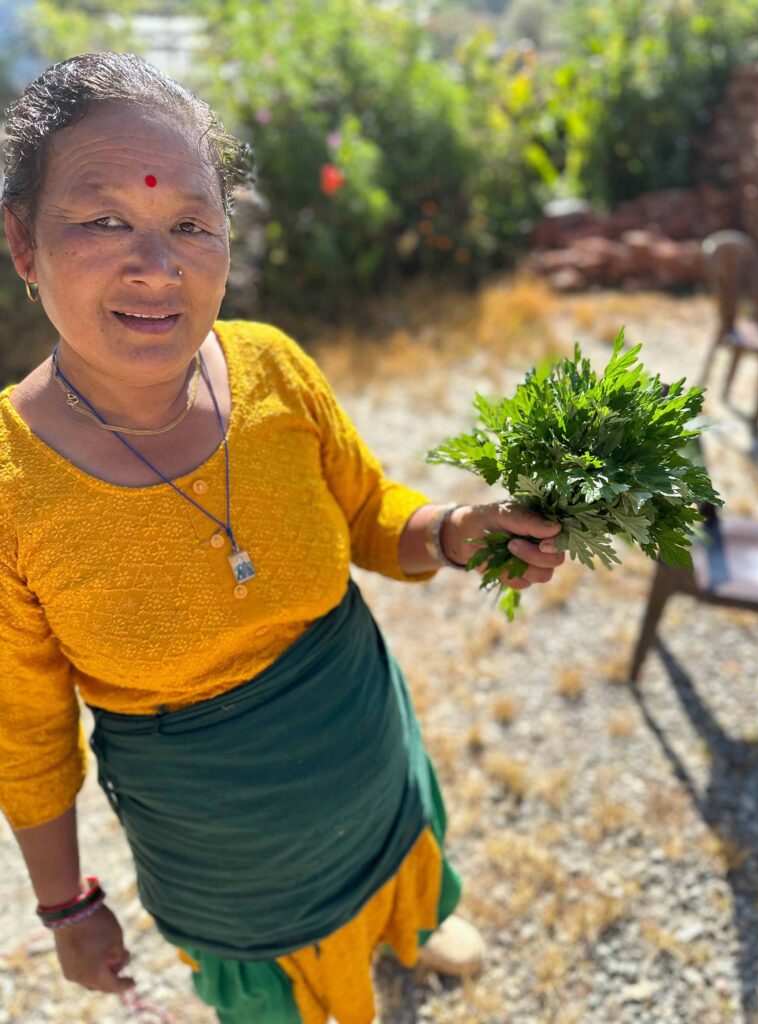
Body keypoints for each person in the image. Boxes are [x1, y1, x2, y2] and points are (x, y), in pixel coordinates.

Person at [0, 53, 566, 1024]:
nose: (156, 264)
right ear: (22, 245)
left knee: (405, 856)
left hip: (366, 745)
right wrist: (66, 905)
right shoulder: (10, 492)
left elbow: (368, 515)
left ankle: (410, 924)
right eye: (103, 221)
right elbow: (27, 733)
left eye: (190, 222)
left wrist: (458, 530)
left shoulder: (271, 367)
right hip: (232, 856)